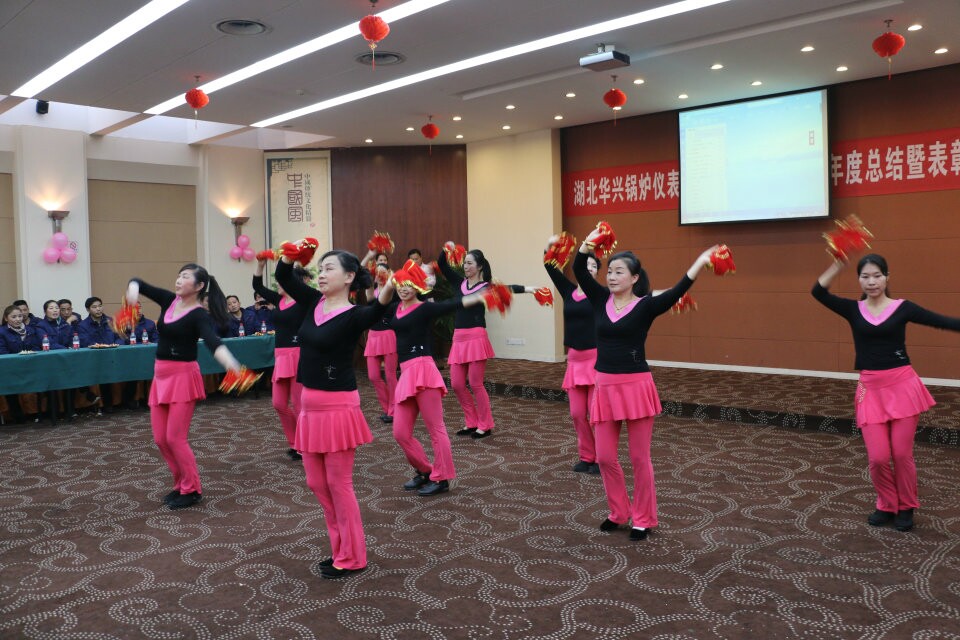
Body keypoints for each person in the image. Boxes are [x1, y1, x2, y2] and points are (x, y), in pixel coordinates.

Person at [574, 232, 719, 541]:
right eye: (609, 271)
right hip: (605, 386)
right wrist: (588, 241)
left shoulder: (646, 306)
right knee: (604, 457)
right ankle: (619, 512)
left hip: (636, 387)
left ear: (634, 278)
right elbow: (578, 268)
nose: (611, 276)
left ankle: (643, 518)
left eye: (619, 272)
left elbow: (679, 290)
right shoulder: (599, 299)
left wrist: (700, 262)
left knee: (640, 458)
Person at [812, 253, 960, 533]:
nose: (872, 282)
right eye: (865, 276)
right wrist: (838, 263)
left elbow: (941, 321)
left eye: (877, 276)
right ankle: (887, 504)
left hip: (903, 387)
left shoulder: (903, 308)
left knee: (901, 454)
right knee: (878, 457)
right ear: (859, 280)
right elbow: (818, 292)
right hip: (871, 390)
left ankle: (906, 506)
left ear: (887, 278)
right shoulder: (853, 309)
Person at [275, 245, 394, 580]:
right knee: (316, 482)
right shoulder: (313, 301)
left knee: (338, 484)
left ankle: (353, 555)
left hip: (338, 407)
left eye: (329, 269)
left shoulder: (355, 314)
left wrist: (391, 284)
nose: (322, 274)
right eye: (321, 269)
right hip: (309, 407)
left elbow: (379, 309)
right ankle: (339, 546)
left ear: (349, 276)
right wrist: (290, 254)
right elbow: (284, 275)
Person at [125, 263, 244, 510]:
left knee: (175, 439)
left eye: (185, 277)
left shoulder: (199, 314)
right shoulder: (169, 300)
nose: (179, 280)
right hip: (161, 376)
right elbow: (137, 281)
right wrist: (131, 301)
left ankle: (192, 489)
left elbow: (212, 341)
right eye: (179, 275)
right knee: (161, 439)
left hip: (183, 377)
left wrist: (231, 363)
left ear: (199, 286)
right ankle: (180, 483)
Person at [388, 261, 492, 496]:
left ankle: (442, 477)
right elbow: (376, 304)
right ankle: (426, 470)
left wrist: (482, 295)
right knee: (400, 433)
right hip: (406, 373)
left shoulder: (425, 308)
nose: (404, 288)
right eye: (400, 284)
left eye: (409, 284)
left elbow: (455, 303)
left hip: (424, 370)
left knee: (436, 428)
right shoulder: (394, 308)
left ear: (417, 287)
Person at [436, 243, 534, 439]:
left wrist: (530, 289)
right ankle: (471, 422)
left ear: (479, 266)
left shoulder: (486, 287)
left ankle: (485, 424)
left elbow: (508, 289)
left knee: (475, 383)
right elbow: (442, 264)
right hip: (459, 338)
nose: (465, 266)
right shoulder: (458, 282)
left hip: (476, 337)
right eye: (465, 263)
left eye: (470, 263)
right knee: (457, 384)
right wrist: (447, 248)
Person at [543, 237, 600, 474]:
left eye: (594, 266)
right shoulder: (567, 290)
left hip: (596, 360)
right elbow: (549, 266)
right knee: (577, 414)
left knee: (596, 414)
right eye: (586, 264)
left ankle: (601, 458)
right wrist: (549, 245)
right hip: (575, 361)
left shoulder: (600, 294)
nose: (589, 269)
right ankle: (587, 456)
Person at [253, 258, 310, 461]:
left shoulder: (303, 301)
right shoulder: (279, 300)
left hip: (298, 355)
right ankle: (295, 442)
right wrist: (260, 265)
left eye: (281, 281)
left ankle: (305, 445)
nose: (277, 284)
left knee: (299, 405)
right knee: (278, 403)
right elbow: (257, 286)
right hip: (281, 356)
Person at [360, 248, 399, 424]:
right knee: (373, 376)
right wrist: (369, 256)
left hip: (389, 335)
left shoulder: (394, 292)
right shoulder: (371, 291)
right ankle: (387, 407)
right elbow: (361, 272)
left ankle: (394, 410)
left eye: (384, 272)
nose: (380, 275)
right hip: (374, 337)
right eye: (378, 272)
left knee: (390, 376)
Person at [0, 305, 43, 423]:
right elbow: (2, 352)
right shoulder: (2, 332)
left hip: (30, 364)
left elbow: (36, 346)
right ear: (6, 318)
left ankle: (39, 412)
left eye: (20, 316)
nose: (18, 319)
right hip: (10, 367)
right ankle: (17, 414)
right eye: (13, 317)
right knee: (9, 382)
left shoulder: (30, 330)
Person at [34, 300, 73, 420]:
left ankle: (70, 411)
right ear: (45, 311)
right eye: (51, 308)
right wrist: (66, 349)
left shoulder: (65, 324)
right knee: (53, 384)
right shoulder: (41, 326)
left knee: (72, 380)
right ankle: (54, 413)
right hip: (49, 362)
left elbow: (72, 339)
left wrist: (71, 347)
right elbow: (48, 344)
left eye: (56, 308)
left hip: (65, 359)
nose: (55, 310)